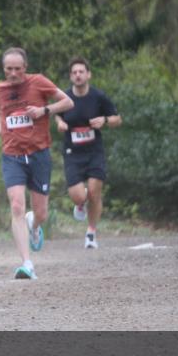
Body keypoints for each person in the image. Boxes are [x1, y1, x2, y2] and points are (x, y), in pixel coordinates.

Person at [0, 48, 73, 280]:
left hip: (39, 154)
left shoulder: (39, 82)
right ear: (4, 69)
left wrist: (44, 110)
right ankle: (27, 263)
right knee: (17, 206)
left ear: (25, 67)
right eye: (8, 69)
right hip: (12, 155)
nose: (13, 74)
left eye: (17, 69)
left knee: (40, 212)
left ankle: (35, 226)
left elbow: (68, 102)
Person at [54, 57, 121, 249]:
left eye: (81, 72)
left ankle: (91, 233)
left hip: (94, 151)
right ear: (70, 76)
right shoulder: (64, 98)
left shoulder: (99, 97)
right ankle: (80, 203)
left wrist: (105, 121)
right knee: (78, 196)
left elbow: (117, 118)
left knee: (94, 192)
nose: (78, 75)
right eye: (74, 72)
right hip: (72, 152)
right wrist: (60, 122)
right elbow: (56, 113)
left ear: (88, 74)